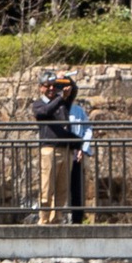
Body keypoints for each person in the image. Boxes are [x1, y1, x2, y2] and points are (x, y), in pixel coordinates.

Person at [33, 72, 92, 225]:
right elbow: (45, 112)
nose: (52, 89)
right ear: (41, 88)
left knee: (62, 190)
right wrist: (60, 97)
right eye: (48, 86)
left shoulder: (62, 104)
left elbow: (73, 89)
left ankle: (57, 218)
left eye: (55, 86)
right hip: (49, 150)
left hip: (65, 150)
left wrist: (65, 78)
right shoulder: (39, 104)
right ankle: (44, 219)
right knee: (47, 189)